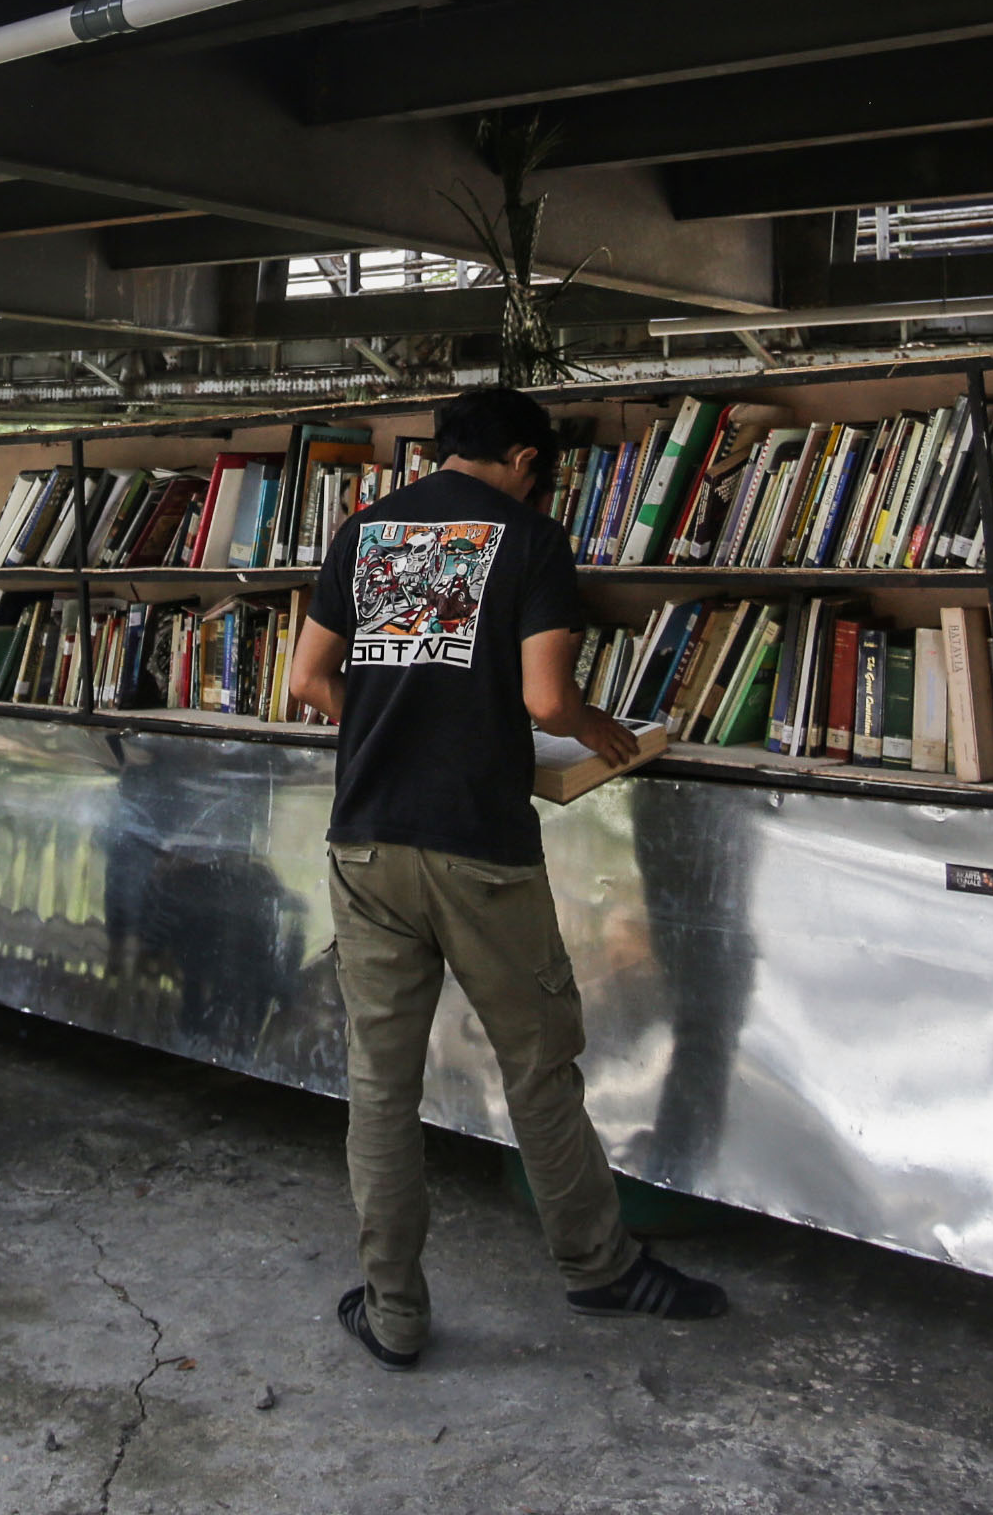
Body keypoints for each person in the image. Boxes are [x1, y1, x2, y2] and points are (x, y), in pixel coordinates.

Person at [286, 384, 725, 1368]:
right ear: (526, 457)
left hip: (366, 841)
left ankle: (394, 1310)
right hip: (478, 847)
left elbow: (308, 680)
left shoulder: (362, 532)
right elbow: (544, 694)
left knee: (380, 1087)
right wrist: (602, 730)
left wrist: (397, 722)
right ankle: (597, 1266)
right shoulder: (529, 537)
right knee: (536, 1065)